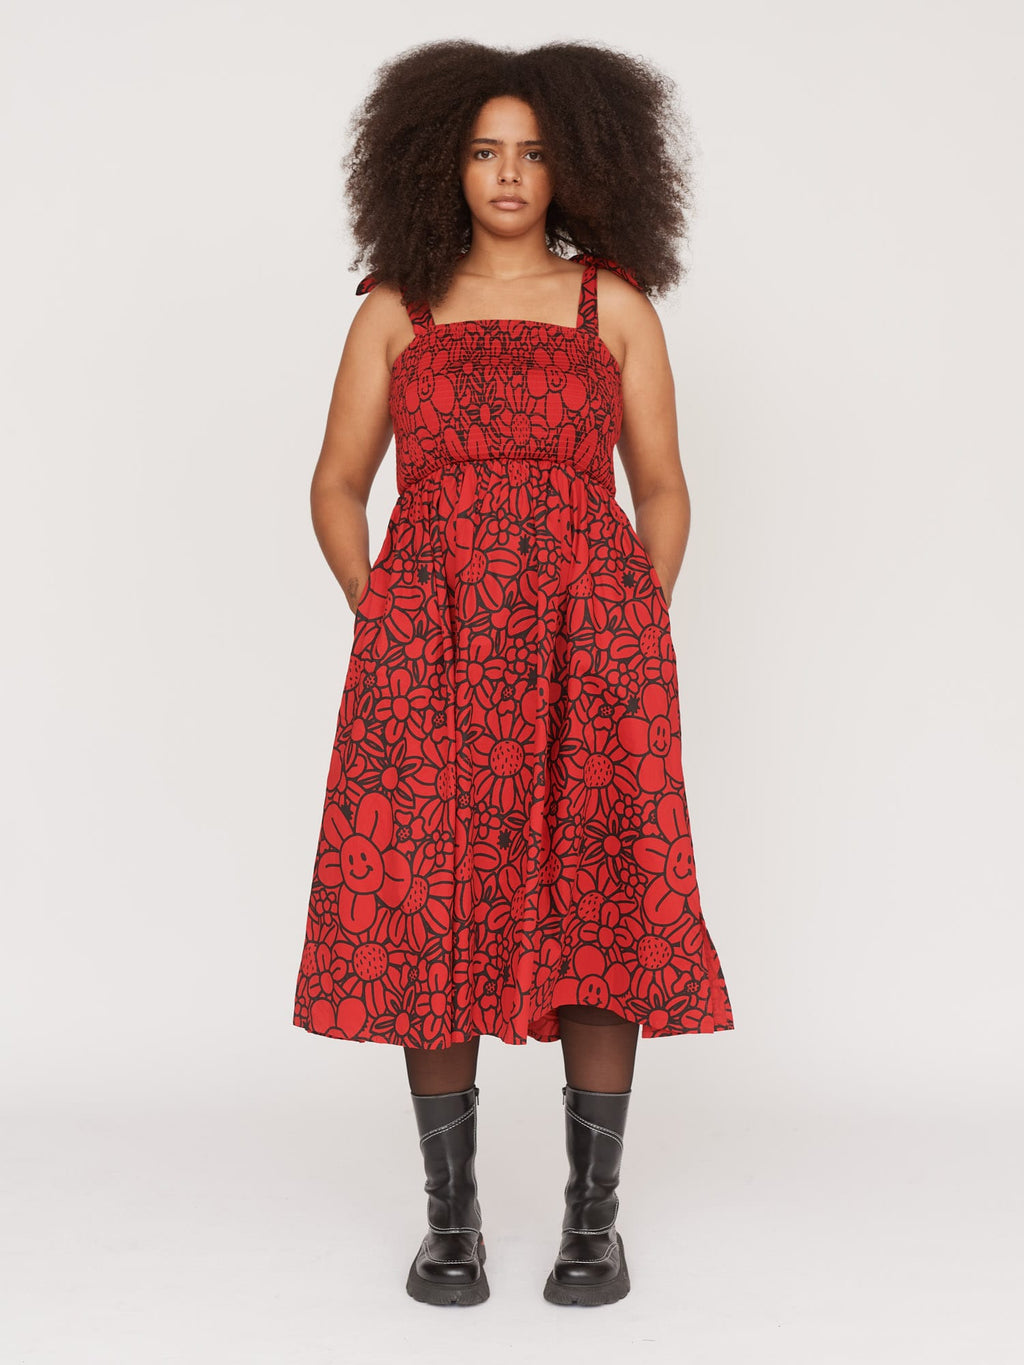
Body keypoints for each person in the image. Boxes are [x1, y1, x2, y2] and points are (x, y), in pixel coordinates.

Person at [291, 38, 736, 1308]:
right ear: (440, 163)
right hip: (428, 658)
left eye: (534, 153)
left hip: (592, 656)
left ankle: (594, 1225)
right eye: (484, 151)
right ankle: (454, 1224)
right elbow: (336, 486)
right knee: (432, 901)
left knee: (599, 901)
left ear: (576, 167)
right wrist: (384, 613)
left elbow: (662, 487)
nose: (507, 174)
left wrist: (631, 621)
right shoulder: (397, 310)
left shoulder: (613, 307)